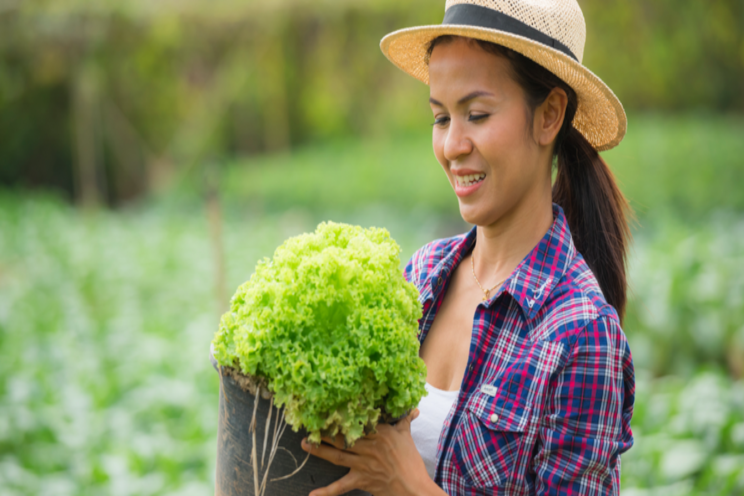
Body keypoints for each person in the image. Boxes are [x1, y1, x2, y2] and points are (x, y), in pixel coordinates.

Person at [301, 0, 635, 494]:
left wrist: (408, 484)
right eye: (440, 118)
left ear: (549, 116)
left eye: (476, 114)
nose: (452, 145)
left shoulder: (582, 335)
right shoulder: (423, 275)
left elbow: (396, 476)